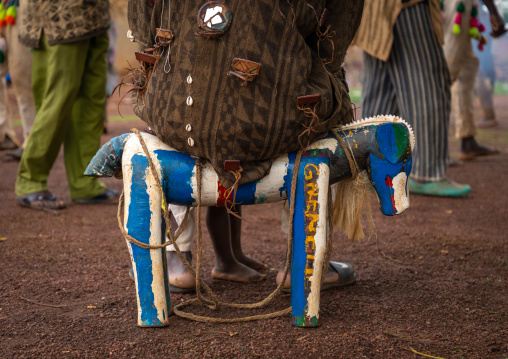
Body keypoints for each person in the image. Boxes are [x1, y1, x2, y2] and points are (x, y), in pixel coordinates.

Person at [354, 0, 471, 197]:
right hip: (406, 6)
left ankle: (372, 170)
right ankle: (427, 173)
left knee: (382, 87)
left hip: (372, 12)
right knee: (428, 84)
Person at [14, 0, 118, 210]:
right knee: (58, 99)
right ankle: (30, 179)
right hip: (58, 16)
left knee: (92, 101)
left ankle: (84, 181)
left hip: (94, 16)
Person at [443, 0, 505, 161]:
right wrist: (494, 12)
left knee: (466, 68)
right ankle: (431, 149)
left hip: (465, 6)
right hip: (458, 4)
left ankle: (467, 141)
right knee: (447, 71)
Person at [0, 0, 35, 159]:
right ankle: (3, 133)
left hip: (21, 10)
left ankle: (32, 141)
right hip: (5, 10)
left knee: (23, 78)